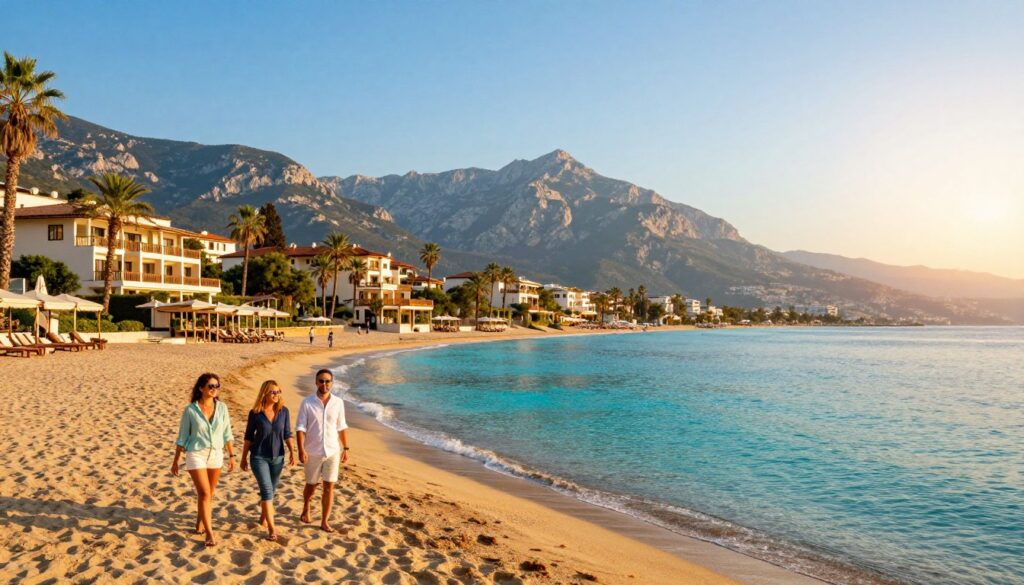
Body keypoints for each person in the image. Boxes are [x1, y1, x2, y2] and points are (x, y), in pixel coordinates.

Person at [171, 373, 235, 547]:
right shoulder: (191, 410)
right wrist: (176, 461)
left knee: (208, 494)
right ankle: (209, 533)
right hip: (196, 454)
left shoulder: (222, 408)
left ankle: (199, 524)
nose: (214, 389)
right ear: (201, 388)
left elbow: (227, 433)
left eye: (217, 386)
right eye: (210, 386)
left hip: (216, 454)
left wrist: (231, 456)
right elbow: (182, 437)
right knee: (205, 493)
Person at [240, 380, 296, 541]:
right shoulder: (255, 413)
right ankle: (272, 529)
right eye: (273, 392)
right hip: (258, 457)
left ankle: (263, 517)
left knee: (271, 490)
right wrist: (243, 457)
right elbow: (248, 437)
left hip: (278, 457)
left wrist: (292, 452)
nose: (276, 395)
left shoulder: (283, 411)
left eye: (278, 392)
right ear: (264, 393)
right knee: (267, 490)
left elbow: (287, 433)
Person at [296, 368, 349, 533]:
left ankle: (325, 521)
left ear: (332, 383)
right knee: (311, 485)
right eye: (321, 381)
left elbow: (341, 426)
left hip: (333, 451)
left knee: (329, 486)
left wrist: (346, 448)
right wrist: (301, 450)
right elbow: (300, 428)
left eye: (327, 381)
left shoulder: (338, 402)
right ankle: (306, 506)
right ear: (316, 382)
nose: (324, 384)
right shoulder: (307, 402)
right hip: (312, 451)